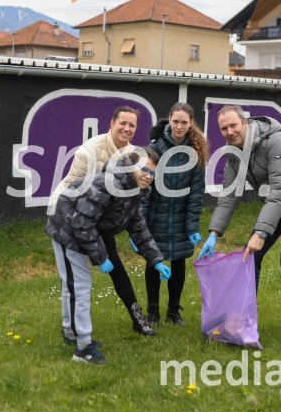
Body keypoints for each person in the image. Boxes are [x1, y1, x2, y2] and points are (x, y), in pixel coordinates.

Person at [197, 105, 281, 339]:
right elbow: (228, 196)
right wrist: (214, 233)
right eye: (224, 128)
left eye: (233, 125)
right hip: (276, 205)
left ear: (245, 123)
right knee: (249, 256)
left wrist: (261, 233)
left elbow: (279, 190)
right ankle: (241, 319)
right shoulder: (233, 154)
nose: (229, 131)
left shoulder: (276, 142)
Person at [46, 149, 171, 364]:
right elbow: (81, 223)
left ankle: (71, 333)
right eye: (143, 169)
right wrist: (101, 258)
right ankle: (83, 348)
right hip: (67, 230)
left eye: (152, 173)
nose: (147, 176)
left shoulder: (135, 190)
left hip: (81, 231)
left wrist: (156, 259)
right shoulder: (107, 184)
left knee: (74, 285)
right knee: (79, 285)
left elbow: (138, 227)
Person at [49, 106, 157, 336]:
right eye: (123, 123)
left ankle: (137, 317)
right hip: (74, 212)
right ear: (112, 123)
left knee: (115, 264)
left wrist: (134, 233)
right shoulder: (90, 149)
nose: (127, 129)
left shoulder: (134, 154)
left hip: (102, 214)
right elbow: (76, 188)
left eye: (132, 125)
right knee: (75, 276)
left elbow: (132, 200)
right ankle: (72, 329)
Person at [139, 102, 208, 326]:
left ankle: (173, 311)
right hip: (156, 216)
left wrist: (191, 227)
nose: (179, 126)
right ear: (169, 120)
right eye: (175, 121)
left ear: (191, 124)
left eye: (184, 123)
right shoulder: (155, 148)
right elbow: (145, 189)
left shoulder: (196, 152)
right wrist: (141, 222)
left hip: (180, 218)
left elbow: (196, 194)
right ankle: (152, 310)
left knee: (178, 262)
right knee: (153, 261)